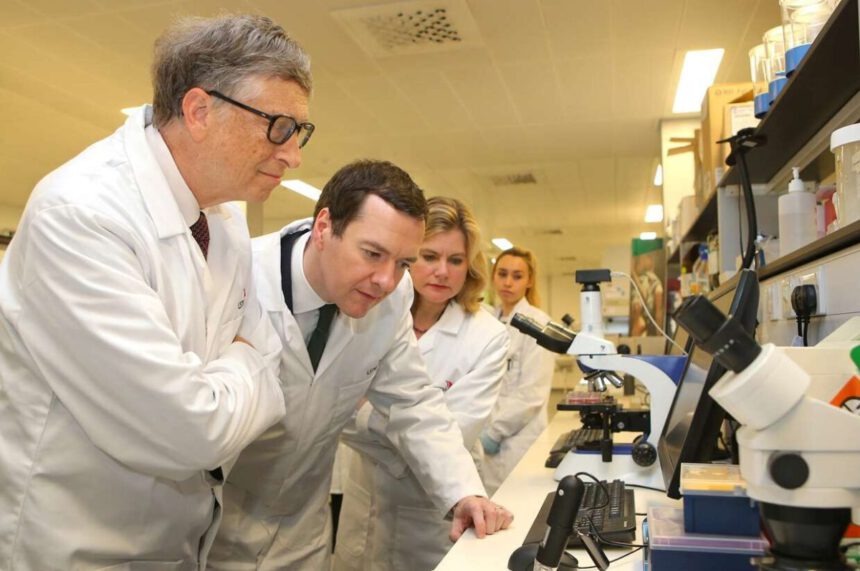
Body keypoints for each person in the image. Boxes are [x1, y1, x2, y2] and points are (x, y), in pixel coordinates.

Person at [0, 14, 312, 570]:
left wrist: (228, 375)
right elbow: (193, 432)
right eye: (279, 127)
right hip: (79, 545)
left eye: (300, 132)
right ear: (199, 111)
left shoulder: (225, 213)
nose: (293, 156)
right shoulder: (81, 214)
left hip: (180, 538)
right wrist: (248, 360)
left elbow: (257, 359)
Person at [209, 161, 513, 571]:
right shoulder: (236, 275)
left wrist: (463, 493)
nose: (386, 280)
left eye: (403, 263)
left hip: (301, 533)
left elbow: (413, 402)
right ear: (323, 228)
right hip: (214, 526)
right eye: (372, 253)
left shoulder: (392, 298)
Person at [332, 196, 510, 571]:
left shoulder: (487, 337)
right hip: (364, 495)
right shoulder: (367, 312)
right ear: (408, 256)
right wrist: (410, 425)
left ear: (470, 266)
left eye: (456, 260)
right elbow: (332, 408)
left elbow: (453, 436)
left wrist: (367, 412)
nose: (442, 271)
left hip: (430, 511)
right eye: (429, 256)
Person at [476, 247, 556, 496]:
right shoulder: (486, 320)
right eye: (502, 274)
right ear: (493, 276)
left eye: (517, 276)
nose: (508, 282)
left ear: (529, 281)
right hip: (482, 437)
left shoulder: (539, 324)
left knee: (516, 505)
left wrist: (494, 432)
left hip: (517, 442)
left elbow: (532, 394)